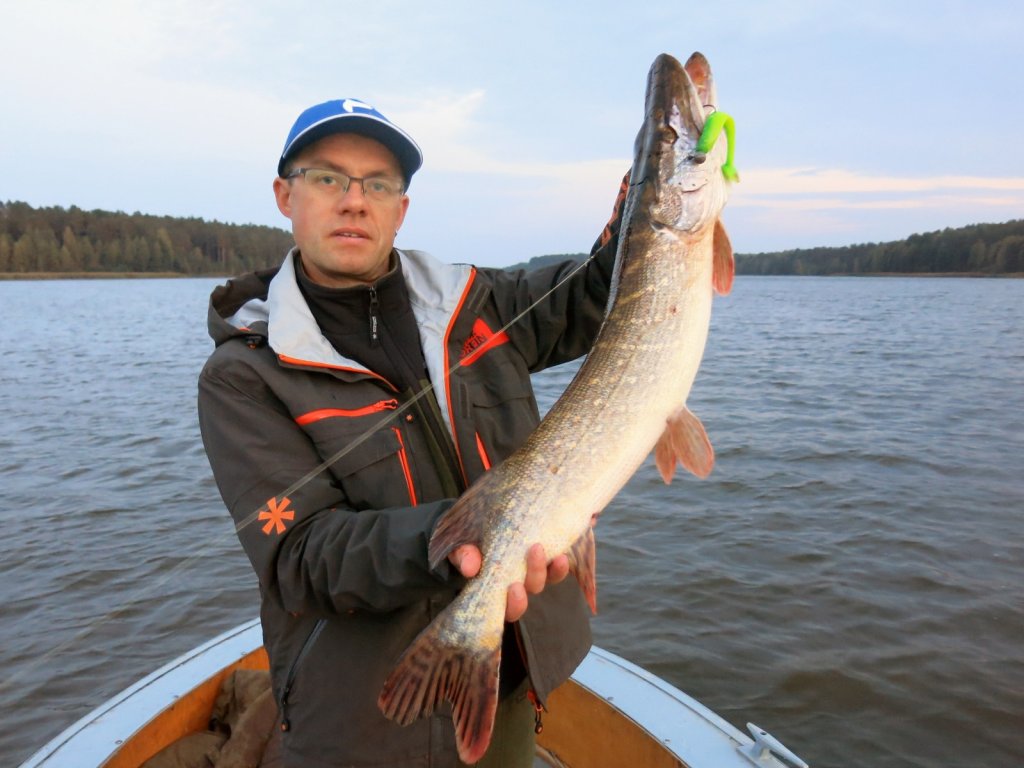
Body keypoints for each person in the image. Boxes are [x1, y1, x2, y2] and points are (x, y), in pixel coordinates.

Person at [198, 98, 624, 767]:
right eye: (328, 178)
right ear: (286, 195)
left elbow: (597, 293)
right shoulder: (244, 374)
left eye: (378, 183)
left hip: (509, 669)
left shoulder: (474, 303)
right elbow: (301, 558)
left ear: (401, 207)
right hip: (365, 724)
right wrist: (462, 535)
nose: (354, 201)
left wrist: (644, 207)